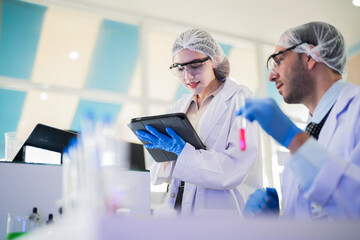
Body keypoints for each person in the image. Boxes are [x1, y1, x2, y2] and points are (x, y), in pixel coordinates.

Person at [237, 21, 360, 219]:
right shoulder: (308, 134)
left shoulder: (356, 111)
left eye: (278, 60)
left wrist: (294, 140)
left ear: (310, 57)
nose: (271, 76)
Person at [136, 29, 263, 217]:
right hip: (179, 209)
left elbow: (237, 165)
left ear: (214, 60)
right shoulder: (179, 107)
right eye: (179, 68)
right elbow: (164, 173)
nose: (188, 76)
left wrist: (182, 152)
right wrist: (164, 155)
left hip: (223, 214)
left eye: (195, 65)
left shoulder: (240, 99)